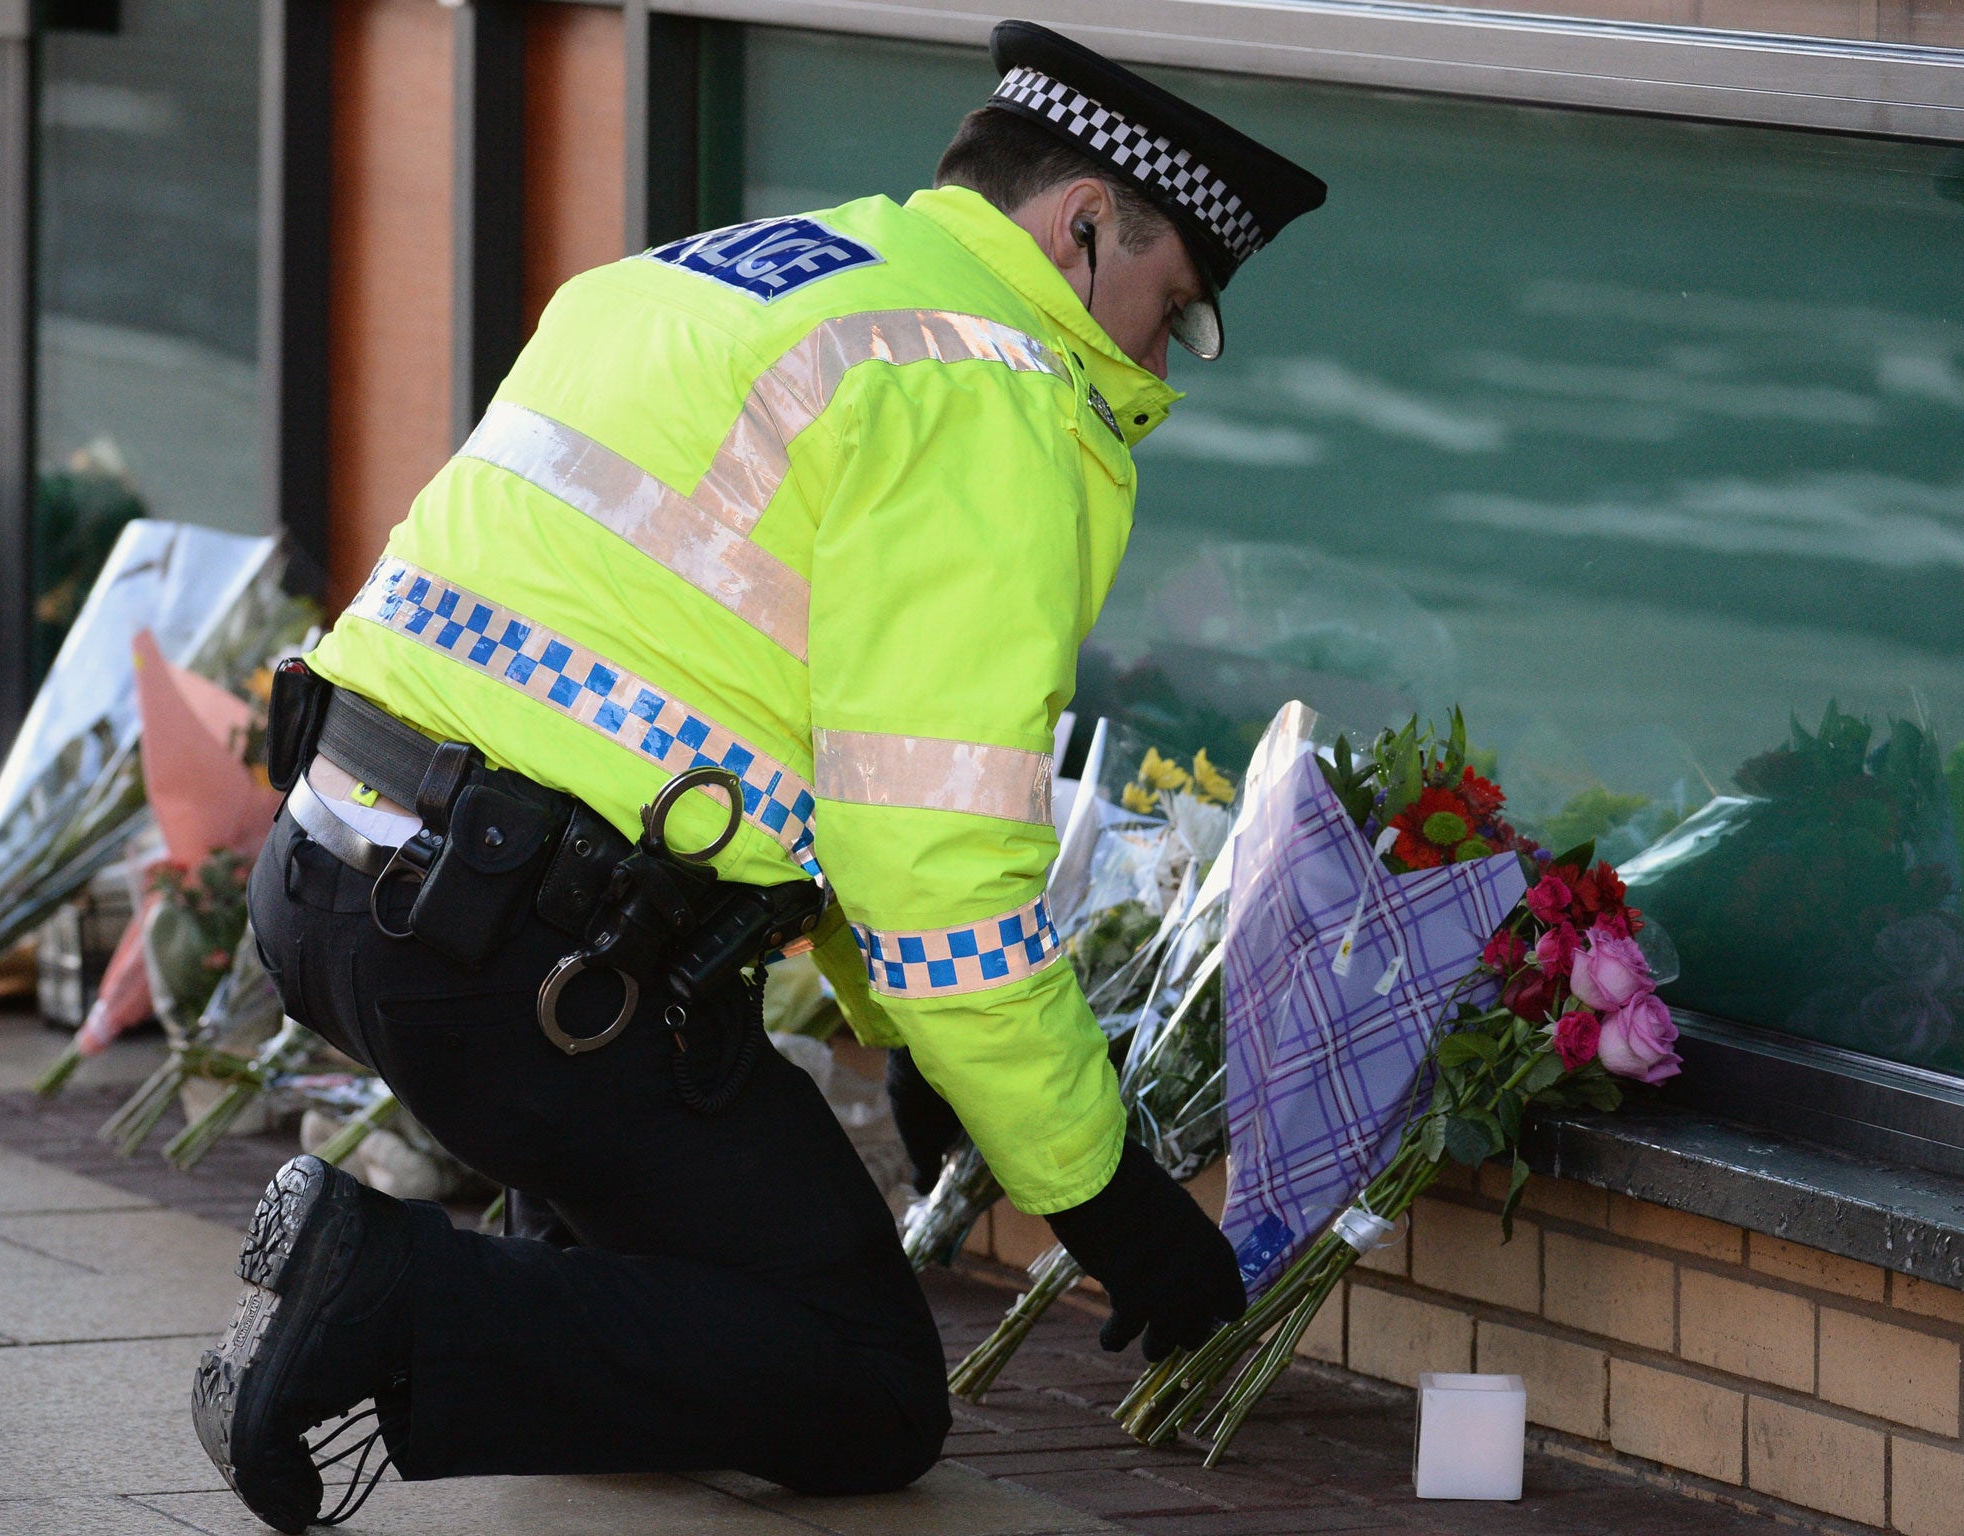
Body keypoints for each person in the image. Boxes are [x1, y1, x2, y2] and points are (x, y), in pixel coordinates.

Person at [194, 20, 1325, 1532]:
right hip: (526, 966)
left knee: (670, 1260)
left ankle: (505, 1283)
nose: (1151, 357)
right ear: (1082, 223)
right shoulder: (983, 395)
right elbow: (935, 854)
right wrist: (1103, 1199)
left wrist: (906, 1036)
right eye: (1168, 305)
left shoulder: (725, 275)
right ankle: (382, 1290)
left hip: (343, 886)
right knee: (865, 1384)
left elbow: (784, 729)